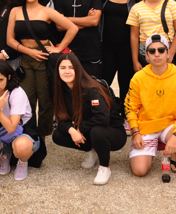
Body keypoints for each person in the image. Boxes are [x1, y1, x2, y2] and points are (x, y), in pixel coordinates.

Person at [6, 0, 78, 140]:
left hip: (45, 59)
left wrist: (58, 48)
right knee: (26, 98)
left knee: (45, 100)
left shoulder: (47, 11)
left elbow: (72, 28)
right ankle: (29, 133)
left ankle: (43, 135)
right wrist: (29, 51)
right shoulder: (15, 11)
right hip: (26, 58)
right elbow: (10, 40)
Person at [125, 34, 176, 176]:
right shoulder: (138, 77)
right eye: (152, 51)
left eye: (161, 50)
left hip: (170, 125)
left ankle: (173, 152)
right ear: (146, 56)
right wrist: (136, 133)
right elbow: (130, 108)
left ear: (168, 53)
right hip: (147, 127)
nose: (157, 54)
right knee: (139, 171)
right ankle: (154, 148)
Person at [52, 54, 127, 185]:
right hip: (89, 128)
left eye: (71, 67)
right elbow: (61, 119)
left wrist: (79, 129)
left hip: (113, 132)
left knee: (97, 131)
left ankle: (105, 167)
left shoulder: (91, 89)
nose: (67, 71)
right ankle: (91, 150)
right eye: (63, 68)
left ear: (78, 69)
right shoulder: (61, 90)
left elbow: (102, 118)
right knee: (58, 135)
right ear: (57, 70)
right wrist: (72, 130)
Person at [0, 60, 39, 181]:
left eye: (1, 80)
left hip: (22, 130)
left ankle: (22, 161)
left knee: (21, 147)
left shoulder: (17, 92)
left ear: (8, 77)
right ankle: (3, 154)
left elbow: (11, 128)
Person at [98, 0, 143, 97]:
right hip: (106, 46)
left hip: (129, 48)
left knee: (127, 87)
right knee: (101, 85)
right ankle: (103, 110)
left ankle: (125, 111)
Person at [56, 0, 103, 78]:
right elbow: (59, 26)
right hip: (68, 50)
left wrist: (66, 19)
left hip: (91, 51)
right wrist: (86, 19)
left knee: (91, 85)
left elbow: (94, 21)